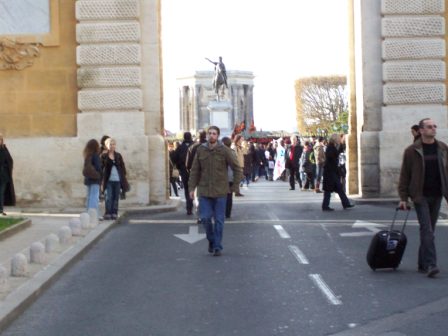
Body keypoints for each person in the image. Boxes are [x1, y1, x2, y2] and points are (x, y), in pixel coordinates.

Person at [398, 118, 448, 278]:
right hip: (420, 196)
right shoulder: (411, 151)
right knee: (427, 230)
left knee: (429, 230)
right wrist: (403, 197)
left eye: (434, 126)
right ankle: (431, 264)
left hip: (437, 194)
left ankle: (422, 263)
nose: (433, 129)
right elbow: (405, 175)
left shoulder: (443, 148)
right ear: (421, 130)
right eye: (429, 127)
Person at [189, 126, 243, 256]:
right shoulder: (201, 150)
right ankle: (211, 240)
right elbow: (195, 170)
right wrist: (192, 188)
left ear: (217, 136)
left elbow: (237, 168)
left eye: (214, 134)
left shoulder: (224, 150)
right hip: (205, 191)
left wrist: (235, 187)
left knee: (219, 220)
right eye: (210, 133)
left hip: (220, 191)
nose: (211, 135)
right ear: (207, 135)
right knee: (205, 218)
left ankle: (217, 246)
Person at [321, 134, 354, 211]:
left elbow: (338, 153)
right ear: (335, 139)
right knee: (330, 190)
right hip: (330, 172)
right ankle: (326, 206)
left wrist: (341, 144)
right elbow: (333, 157)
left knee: (338, 189)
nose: (339, 140)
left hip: (332, 171)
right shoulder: (330, 147)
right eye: (338, 139)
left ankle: (345, 204)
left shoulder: (333, 147)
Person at [101, 138, 129, 220]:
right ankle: (108, 213)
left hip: (117, 180)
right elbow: (100, 169)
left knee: (116, 197)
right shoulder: (104, 156)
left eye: (114, 144)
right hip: (108, 180)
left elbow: (123, 168)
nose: (112, 146)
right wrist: (102, 182)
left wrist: (122, 176)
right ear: (107, 146)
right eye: (110, 144)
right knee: (108, 197)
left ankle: (114, 213)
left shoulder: (118, 155)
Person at [172, 132, 194, 214]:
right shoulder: (195, 146)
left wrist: (179, 167)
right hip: (194, 171)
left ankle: (189, 207)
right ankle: (197, 207)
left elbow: (174, 158)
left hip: (184, 170)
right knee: (195, 189)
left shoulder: (180, 147)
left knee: (187, 189)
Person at [83, 139, 102, 216]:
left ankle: (88, 213)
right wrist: (101, 175)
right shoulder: (95, 156)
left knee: (89, 197)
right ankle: (93, 215)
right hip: (95, 179)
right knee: (94, 197)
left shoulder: (87, 156)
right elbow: (98, 167)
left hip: (88, 179)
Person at [0, 133, 15, 216]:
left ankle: (1, 209)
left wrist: (4, 168)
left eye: (0, 139)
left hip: (3, 176)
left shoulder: (4, 150)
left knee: (1, 192)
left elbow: (10, 161)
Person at [222, 137, 236, 218]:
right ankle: (228, 213)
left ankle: (222, 211)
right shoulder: (233, 152)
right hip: (231, 177)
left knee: (222, 196)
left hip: (223, 177)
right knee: (229, 196)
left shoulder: (221, 152)